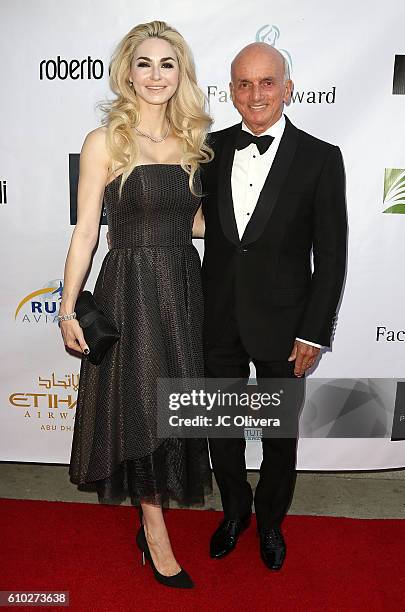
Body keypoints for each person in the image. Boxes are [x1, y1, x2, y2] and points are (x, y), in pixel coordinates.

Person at [58, 20, 213, 589]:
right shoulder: (106, 141)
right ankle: (155, 534)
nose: (155, 75)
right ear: (127, 72)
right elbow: (85, 234)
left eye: (167, 64)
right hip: (131, 288)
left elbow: (193, 223)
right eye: (144, 63)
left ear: (182, 74)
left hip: (183, 287)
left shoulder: (195, 140)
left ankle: (152, 518)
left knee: (175, 405)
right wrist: (68, 306)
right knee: (143, 406)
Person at [200, 43, 347, 570]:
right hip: (216, 319)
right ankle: (234, 511)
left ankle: (270, 521)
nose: (255, 94)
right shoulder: (210, 150)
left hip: (287, 327)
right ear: (231, 90)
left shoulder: (320, 157)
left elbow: (331, 257)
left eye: (266, 82)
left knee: (280, 437)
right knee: (222, 429)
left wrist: (314, 332)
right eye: (243, 83)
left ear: (287, 87)